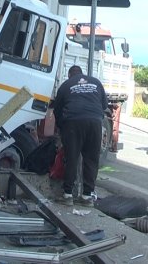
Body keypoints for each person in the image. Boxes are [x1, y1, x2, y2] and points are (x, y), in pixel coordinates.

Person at [52, 65, 109, 207]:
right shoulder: (96, 82)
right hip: (95, 123)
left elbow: (57, 110)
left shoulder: (66, 85)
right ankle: (87, 196)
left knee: (72, 157)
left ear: (70, 75)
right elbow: (104, 105)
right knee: (91, 159)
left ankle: (67, 195)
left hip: (73, 123)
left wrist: (61, 126)